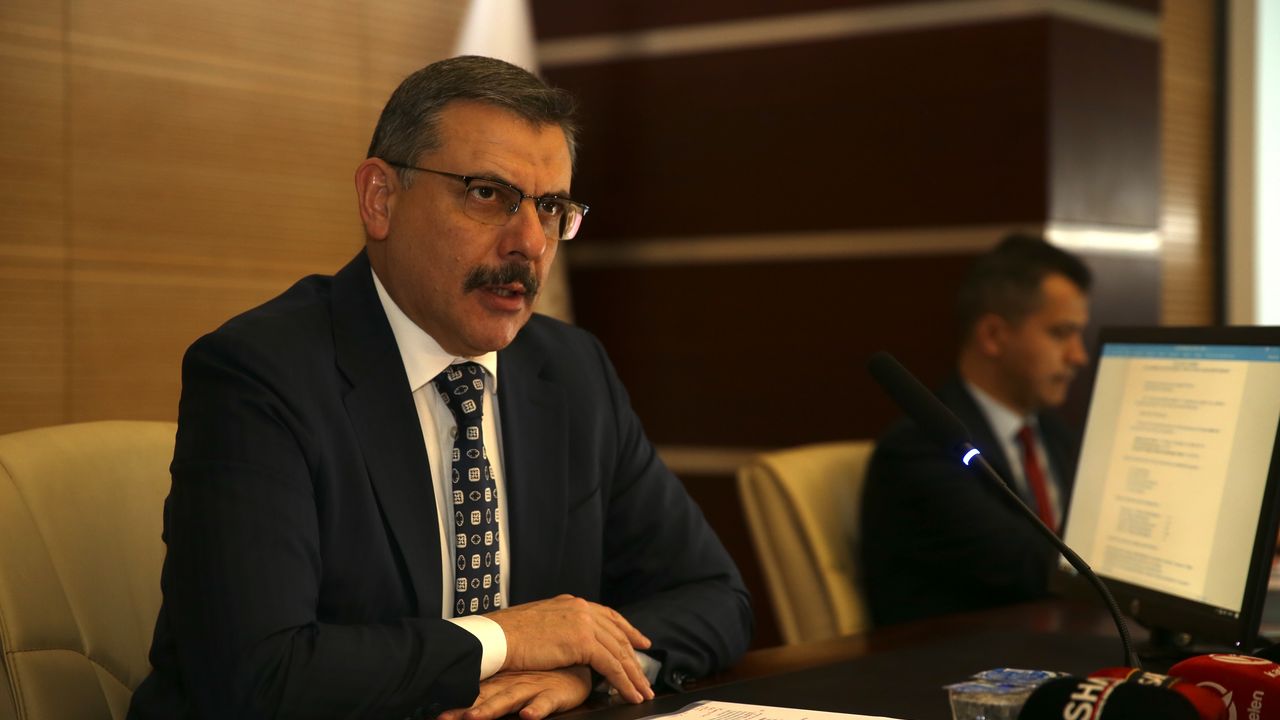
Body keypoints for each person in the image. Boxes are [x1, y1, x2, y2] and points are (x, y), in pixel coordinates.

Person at [128, 56, 752, 720]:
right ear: (380, 199)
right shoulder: (260, 374)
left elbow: (715, 596)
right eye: (488, 194)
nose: (529, 242)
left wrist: (584, 666)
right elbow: (260, 674)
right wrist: (505, 640)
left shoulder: (572, 371)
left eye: (550, 207)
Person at [860, 234, 1092, 627]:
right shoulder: (919, 448)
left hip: (1053, 641)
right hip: (959, 655)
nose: (1078, 356)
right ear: (993, 336)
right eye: (1060, 333)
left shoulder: (1053, 432)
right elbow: (1032, 568)